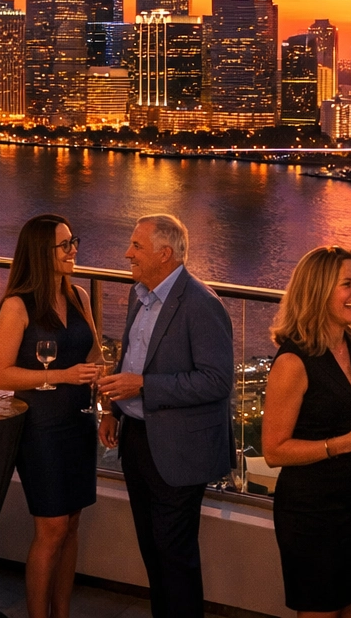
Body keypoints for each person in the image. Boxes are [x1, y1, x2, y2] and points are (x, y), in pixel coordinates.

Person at [98, 214, 234, 618]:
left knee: (175, 559)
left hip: (180, 448)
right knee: (153, 552)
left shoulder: (201, 304)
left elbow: (216, 381)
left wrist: (143, 387)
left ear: (165, 254)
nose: (127, 254)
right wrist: (113, 411)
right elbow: (131, 358)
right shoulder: (137, 294)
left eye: (136, 246)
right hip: (138, 440)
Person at [261, 246, 351, 618]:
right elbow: (274, 451)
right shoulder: (292, 361)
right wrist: (347, 444)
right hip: (312, 513)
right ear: (317, 290)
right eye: (348, 284)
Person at [0, 214, 103, 618]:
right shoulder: (18, 305)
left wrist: (106, 385)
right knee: (51, 528)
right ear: (42, 252)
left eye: (74, 242)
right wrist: (61, 375)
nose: (74, 251)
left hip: (79, 420)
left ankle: (62, 612)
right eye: (65, 245)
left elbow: (93, 355)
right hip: (42, 427)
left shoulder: (80, 297)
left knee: (71, 525)